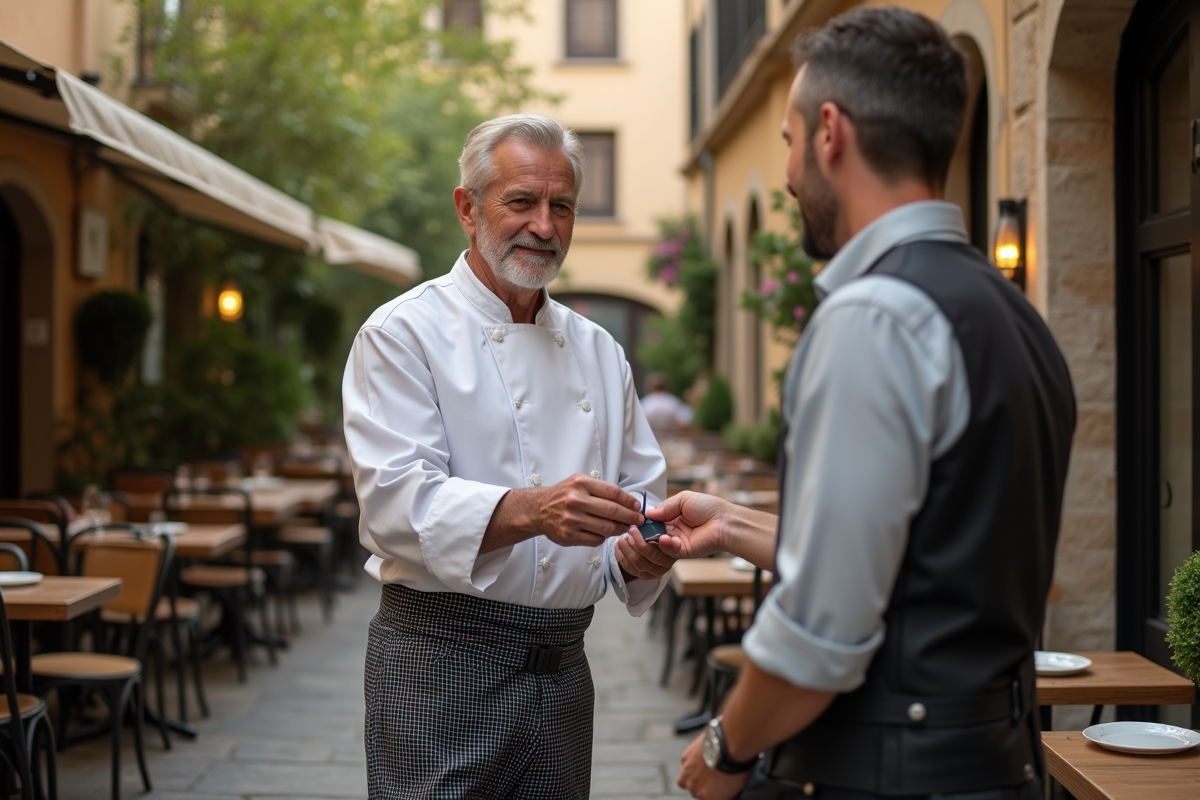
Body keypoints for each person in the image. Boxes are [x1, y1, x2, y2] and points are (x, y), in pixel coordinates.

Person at [646, 9, 1077, 800]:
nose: (784, 175)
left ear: (830, 133)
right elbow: (928, 561)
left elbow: (819, 637)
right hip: (998, 767)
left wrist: (724, 745)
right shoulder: (1016, 316)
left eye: (786, 140)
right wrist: (736, 526)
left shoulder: (870, 317)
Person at [342, 114, 678, 799]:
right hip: (438, 659)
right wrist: (533, 510)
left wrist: (640, 551)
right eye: (521, 202)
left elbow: (638, 501)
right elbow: (393, 506)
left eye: (562, 207)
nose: (545, 227)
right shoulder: (403, 333)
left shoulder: (599, 350)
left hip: (562, 667)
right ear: (468, 209)